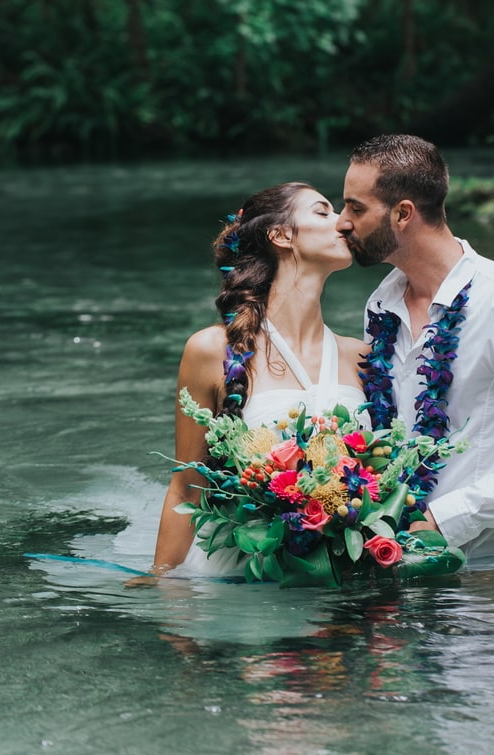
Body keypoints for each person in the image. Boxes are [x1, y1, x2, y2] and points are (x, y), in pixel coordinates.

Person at [336, 134, 494, 569]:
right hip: (392, 564)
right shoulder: (381, 303)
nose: (342, 222)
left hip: (487, 572)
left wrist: (445, 518)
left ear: (403, 214)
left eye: (355, 208)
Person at [150, 181, 368, 578]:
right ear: (281, 235)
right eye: (323, 211)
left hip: (338, 578)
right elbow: (187, 487)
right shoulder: (211, 350)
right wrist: (164, 584)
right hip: (238, 577)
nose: (344, 222)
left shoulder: (359, 355)